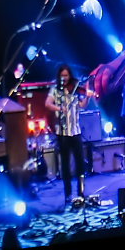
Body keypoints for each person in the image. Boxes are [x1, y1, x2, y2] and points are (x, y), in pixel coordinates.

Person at [46, 64, 90, 203]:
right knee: (64, 165)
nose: (64, 78)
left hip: (75, 131)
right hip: (62, 132)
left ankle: (81, 192)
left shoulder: (75, 89)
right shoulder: (55, 90)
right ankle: (68, 194)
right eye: (62, 76)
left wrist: (87, 96)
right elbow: (48, 103)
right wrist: (59, 108)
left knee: (80, 164)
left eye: (66, 75)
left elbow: (83, 106)